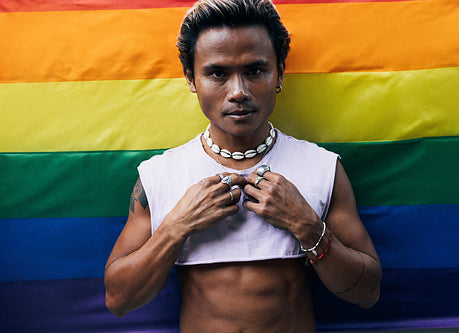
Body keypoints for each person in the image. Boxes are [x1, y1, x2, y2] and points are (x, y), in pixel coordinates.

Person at [104, 0, 382, 331]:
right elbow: (118, 301)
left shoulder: (322, 167)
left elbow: (367, 293)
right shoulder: (159, 175)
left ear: (279, 72)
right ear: (191, 78)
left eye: (254, 71)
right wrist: (175, 227)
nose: (238, 92)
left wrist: (307, 226)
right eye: (218, 73)